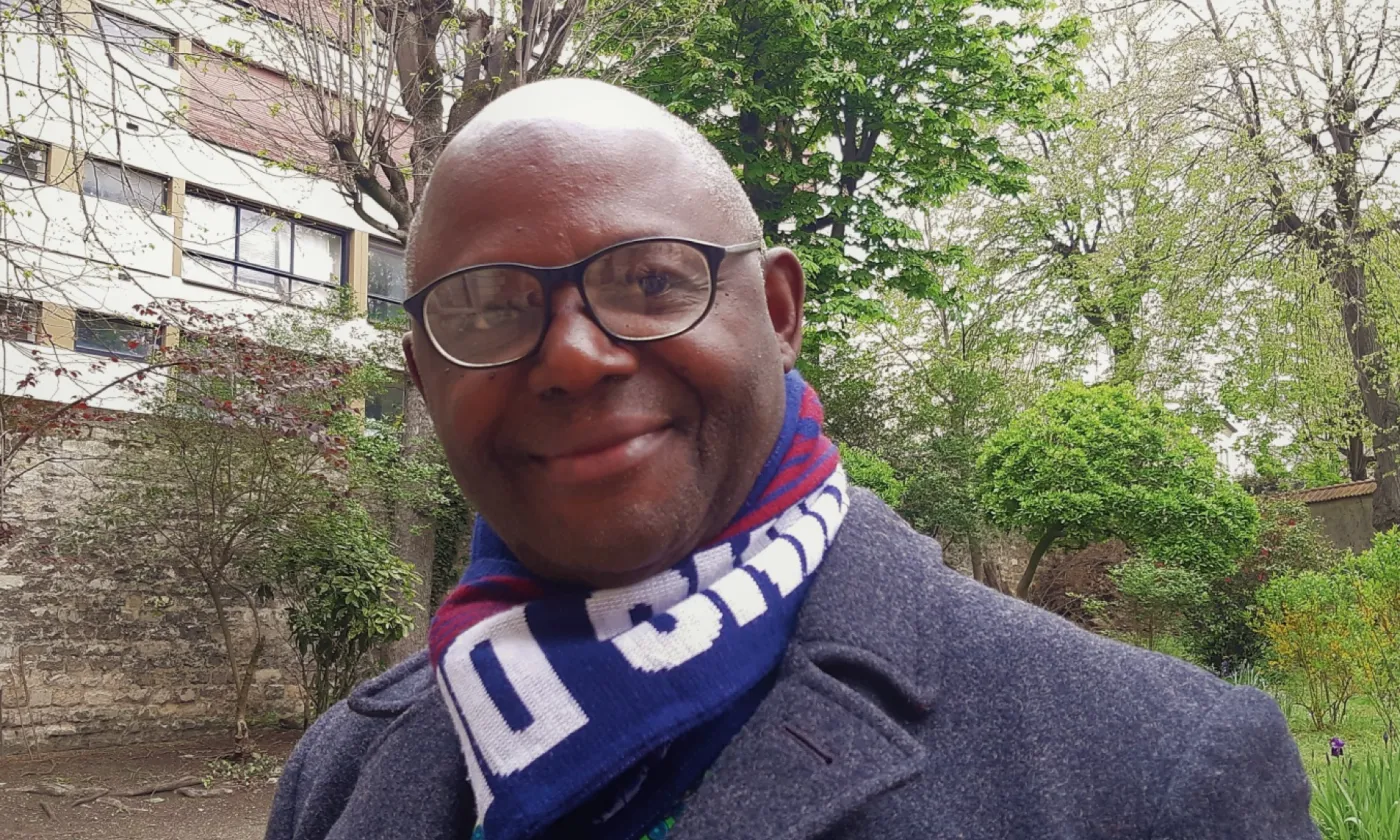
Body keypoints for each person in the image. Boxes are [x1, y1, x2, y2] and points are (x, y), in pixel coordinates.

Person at [265, 79, 1319, 840]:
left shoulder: (1156, 774)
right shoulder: (340, 778)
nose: (575, 358)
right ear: (423, 376)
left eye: (649, 282)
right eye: (487, 309)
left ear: (776, 312)